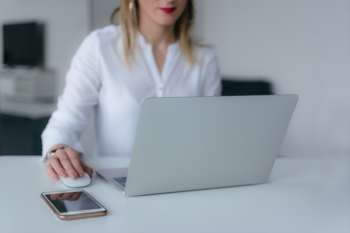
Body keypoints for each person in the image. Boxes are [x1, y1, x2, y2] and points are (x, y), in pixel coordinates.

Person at [41, 0, 221, 182]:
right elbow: (65, 123)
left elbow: (212, 133)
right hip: (117, 183)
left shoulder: (204, 57)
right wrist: (59, 150)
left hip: (185, 181)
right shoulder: (100, 46)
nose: (169, 0)